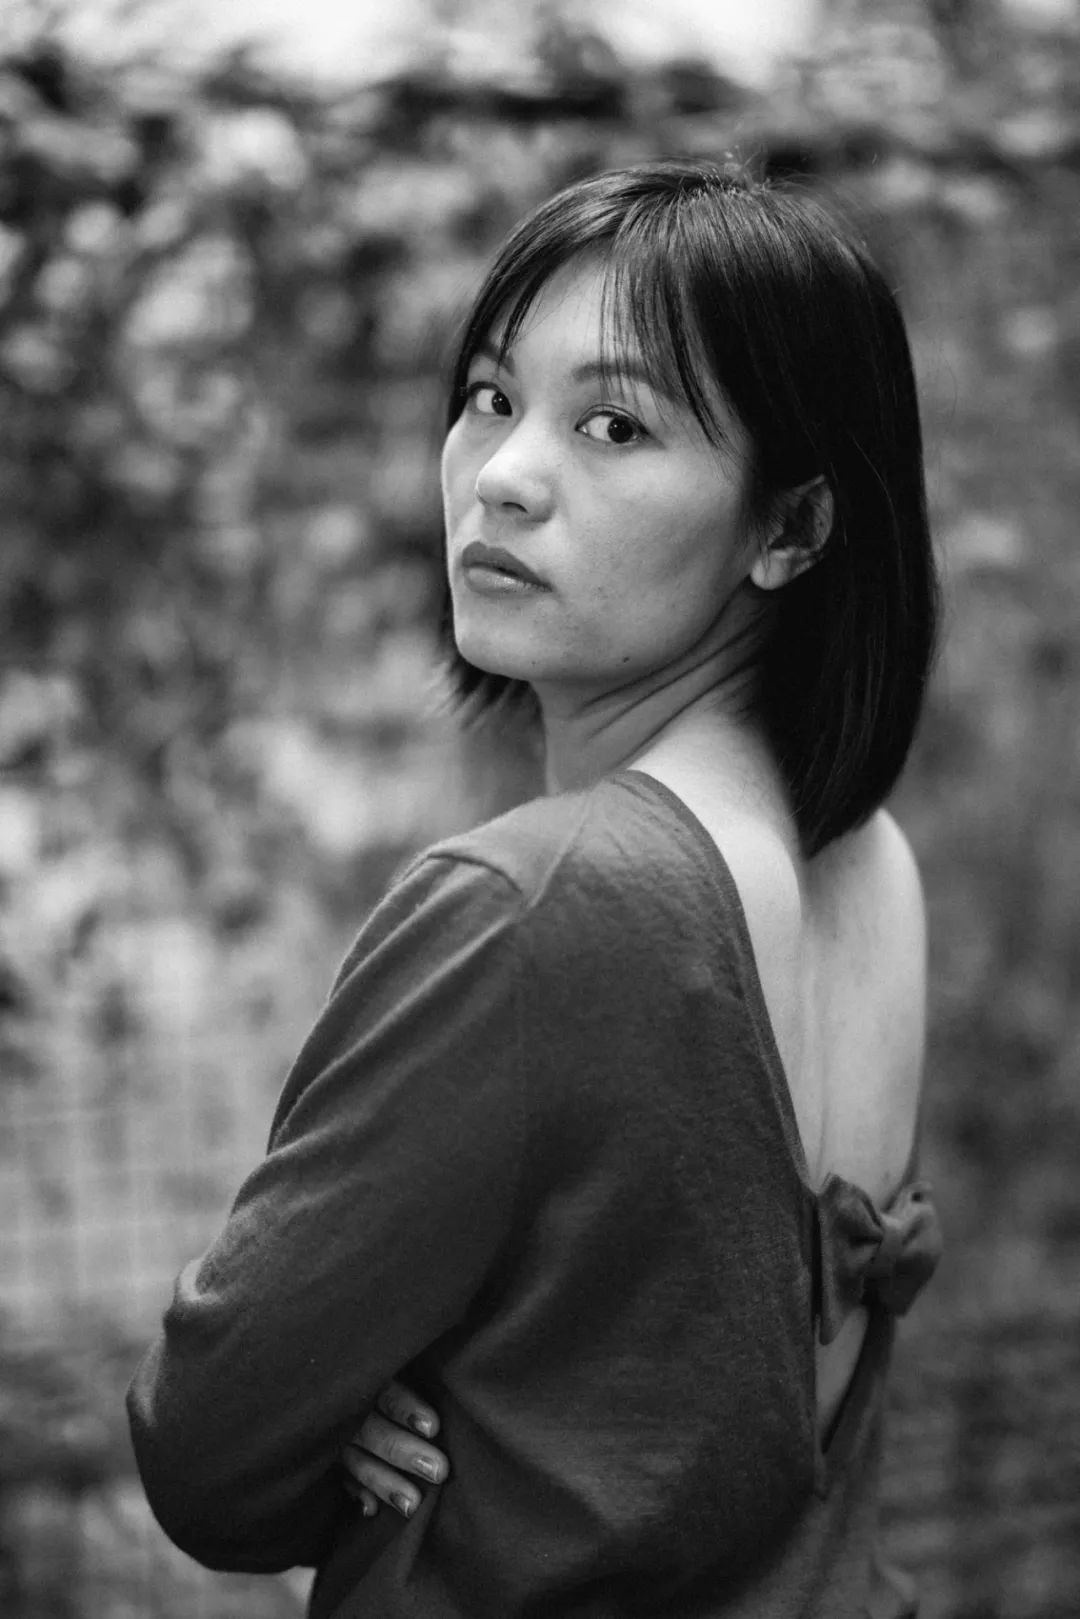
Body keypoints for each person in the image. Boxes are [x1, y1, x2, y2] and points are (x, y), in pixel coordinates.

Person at [127, 159, 944, 1617]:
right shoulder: (870, 858)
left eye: (615, 424)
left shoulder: (536, 903)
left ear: (793, 528)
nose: (502, 473)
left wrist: (339, 1437)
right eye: (493, 396)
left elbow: (204, 1454)